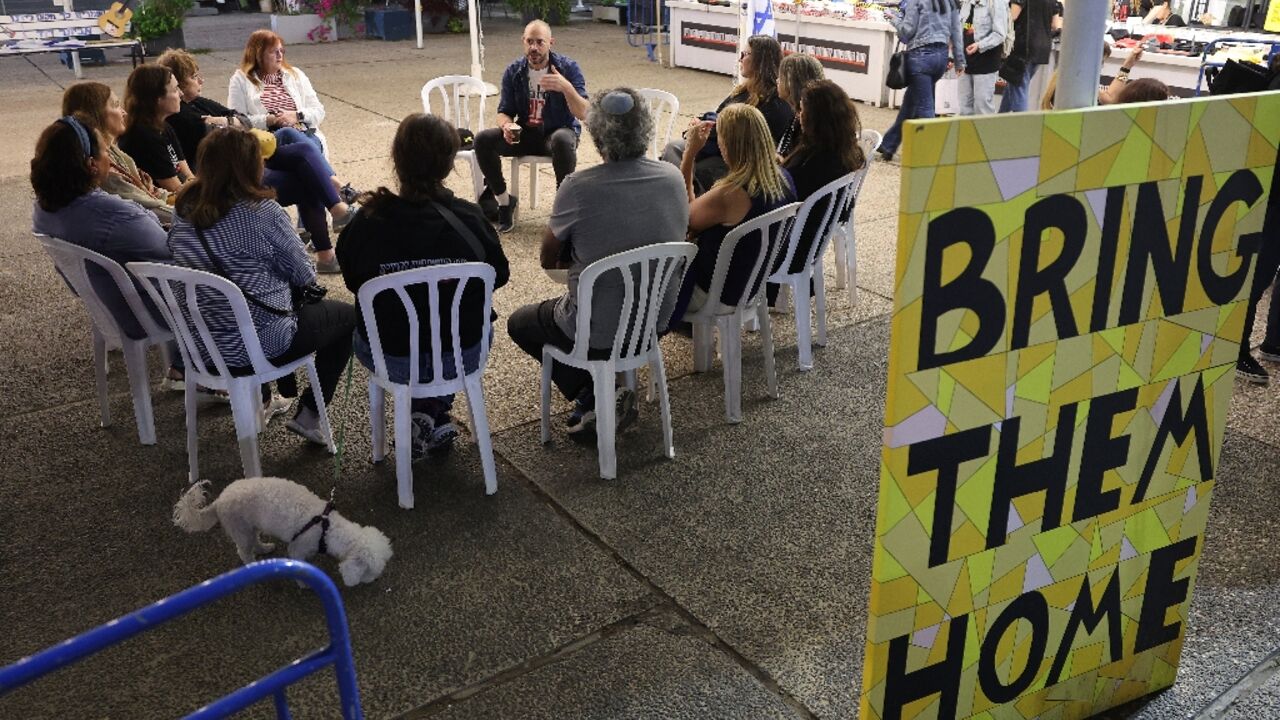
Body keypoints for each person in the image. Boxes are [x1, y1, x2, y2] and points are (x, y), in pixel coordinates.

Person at [507, 89, 688, 437]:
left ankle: (594, 395)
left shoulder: (578, 187)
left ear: (596, 134)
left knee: (521, 322)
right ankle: (607, 389)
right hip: (656, 320)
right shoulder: (673, 177)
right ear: (646, 128)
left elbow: (548, 256)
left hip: (597, 330)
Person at [167, 127, 357, 443]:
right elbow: (305, 275)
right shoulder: (261, 211)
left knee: (247, 298)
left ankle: (272, 397)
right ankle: (310, 414)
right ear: (252, 166)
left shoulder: (183, 207)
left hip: (200, 346)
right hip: (257, 346)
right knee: (348, 319)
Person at [337, 114, 510, 459]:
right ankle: (432, 410)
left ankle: (425, 411)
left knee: (362, 323)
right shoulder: (470, 218)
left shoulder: (367, 224)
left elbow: (355, 281)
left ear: (397, 160)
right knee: (467, 324)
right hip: (462, 354)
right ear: (449, 165)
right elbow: (499, 275)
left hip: (392, 359)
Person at [158, 48, 353, 272]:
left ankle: (335, 205)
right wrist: (231, 123)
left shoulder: (198, 104)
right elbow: (231, 133)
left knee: (290, 135)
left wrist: (224, 121)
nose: (201, 79)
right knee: (304, 170)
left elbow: (242, 119)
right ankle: (335, 203)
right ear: (177, 85)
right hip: (231, 173)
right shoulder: (181, 116)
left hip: (242, 156)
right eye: (193, 77)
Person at [30, 116, 187, 387]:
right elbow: (169, 249)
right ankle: (214, 372)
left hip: (108, 305)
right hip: (147, 312)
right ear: (91, 164)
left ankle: (184, 365)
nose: (110, 159)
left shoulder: (45, 209)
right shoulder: (110, 214)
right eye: (105, 151)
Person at [676, 103, 796, 321]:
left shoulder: (731, 193)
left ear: (729, 144)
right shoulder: (782, 177)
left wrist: (689, 155)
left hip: (716, 293)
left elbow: (686, 220)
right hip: (752, 283)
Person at [471, 20, 588, 234]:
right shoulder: (514, 71)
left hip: (558, 132)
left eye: (540, 42)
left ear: (550, 43)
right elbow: (504, 110)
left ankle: (563, 209)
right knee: (482, 140)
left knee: (562, 140)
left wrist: (566, 87)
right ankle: (504, 202)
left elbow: (584, 112)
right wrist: (506, 125)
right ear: (523, 42)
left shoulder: (568, 68)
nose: (534, 48)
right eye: (529, 42)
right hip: (526, 134)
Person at [769, 80, 866, 304]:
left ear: (815, 118)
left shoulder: (811, 162)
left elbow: (780, 198)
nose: (798, 115)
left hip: (786, 249)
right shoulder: (843, 153)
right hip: (810, 243)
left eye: (802, 110)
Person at [662, 35, 792, 193]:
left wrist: (704, 130)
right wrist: (703, 123)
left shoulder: (774, 102)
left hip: (736, 159)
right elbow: (720, 114)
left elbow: (744, 140)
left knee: (673, 152)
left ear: (760, 60)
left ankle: (687, 200)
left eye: (745, 54)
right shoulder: (745, 90)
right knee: (672, 154)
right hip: (718, 146)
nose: (740, 59)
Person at [227, 29, 348, 195]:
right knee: (302, 155)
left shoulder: (295, 75)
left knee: (308, 170)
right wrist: (269, 120)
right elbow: (237, 121)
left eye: (281, 51)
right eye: (273, 52)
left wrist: (297, 115)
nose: (280, 56)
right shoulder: (240, 80)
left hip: (306, 133)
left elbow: (319, 111)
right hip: (269, 141)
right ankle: (335, 186)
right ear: (258, 55)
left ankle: (329, 199)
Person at [60, 81, 173, 226]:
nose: (124, 112)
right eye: (116, 105)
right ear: (96, 114)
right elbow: (151, 208)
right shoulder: (103, 168)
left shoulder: (112, 152)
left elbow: (151, 195)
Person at [879, 0, 966, 161]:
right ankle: (888, 146)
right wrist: (960, 60)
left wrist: (893, 18)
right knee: (910, 104)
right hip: (940, 58)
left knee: (925, 108)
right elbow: (956, 31)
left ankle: (934, 156)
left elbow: (907, 31)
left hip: (920, 58)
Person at [118, 64, 193, 194]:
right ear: (157, 98)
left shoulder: (163, 126)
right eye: (175, 90)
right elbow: (176, 190)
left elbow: (187, 174)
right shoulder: (144, 136)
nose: (181, 93)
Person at [999, 0, 1059, 113]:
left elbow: (1012, 16)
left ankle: (1022, 125)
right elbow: (1055, 25)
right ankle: (998, 119)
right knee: (1014, 82)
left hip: (1022, 46)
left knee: (1019, 87)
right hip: (1042, 48)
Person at [958, 0, 1008, 115]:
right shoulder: (965, 4)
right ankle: (967, 133)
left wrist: (979, 45)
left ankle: (986, 133)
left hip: (986, 63)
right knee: (964, 109)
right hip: (965, 63)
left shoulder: (996, 3)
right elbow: (960, 28)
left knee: (983, 108)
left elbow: (1000, 34)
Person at [775, 53, 825, 158]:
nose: (777, 81)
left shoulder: (807, 126)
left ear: (792, 82)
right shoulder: (802, 115)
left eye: (781, 77)